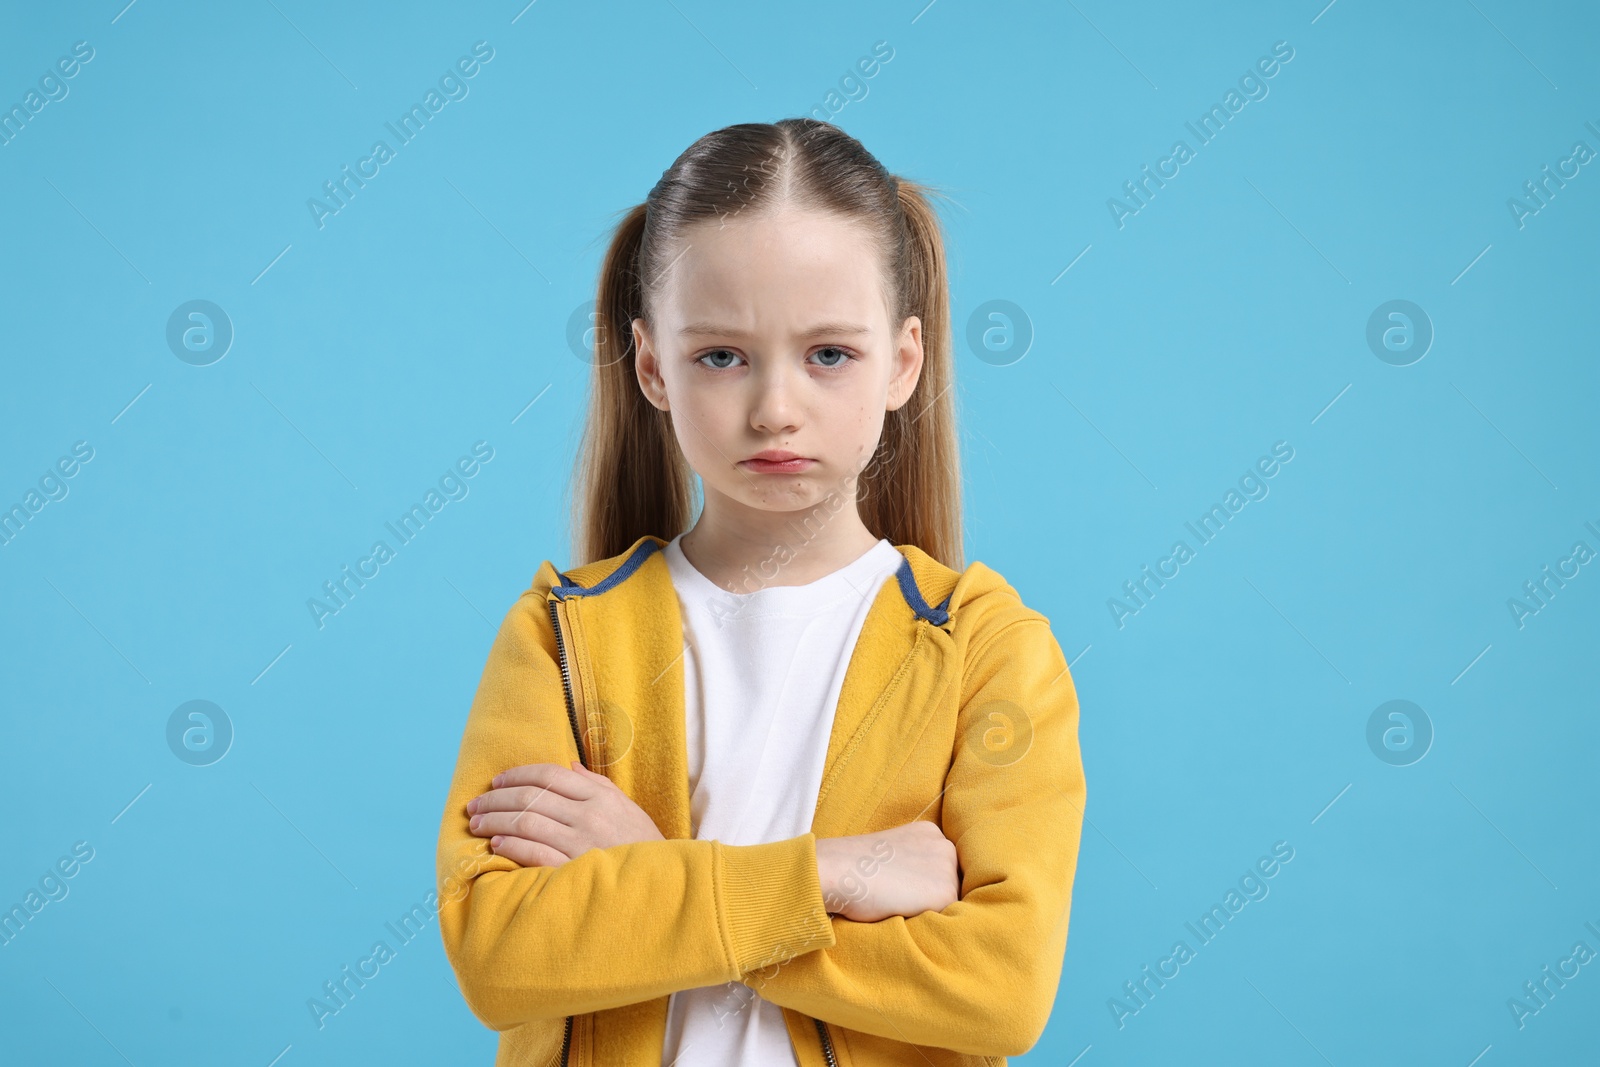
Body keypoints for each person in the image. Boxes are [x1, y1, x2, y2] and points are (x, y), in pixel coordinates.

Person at [434, 117, 1086, 1066]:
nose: (775, 407)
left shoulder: (987, 649)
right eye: (721, 355)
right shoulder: (559, 635)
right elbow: (502, 956)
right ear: (653, 365)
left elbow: (1000, 990)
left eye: (829, 354)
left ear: (903, 362)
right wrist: (823, 878)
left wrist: (646, 886)